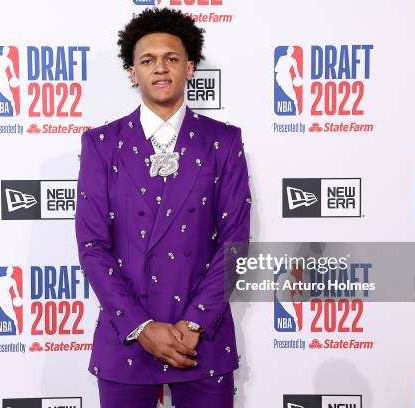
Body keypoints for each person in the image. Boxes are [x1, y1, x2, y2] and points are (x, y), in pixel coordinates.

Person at [75, 8, 251, 408]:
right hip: (127, 334)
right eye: (148, 60)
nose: (160, 68)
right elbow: (93, 247)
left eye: (171, 58)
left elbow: (235, 242)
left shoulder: (223, 142)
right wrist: (141, 327)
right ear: (133, 73)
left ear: (189, 68)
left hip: (202, 338)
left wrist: (194, 323)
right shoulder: (102, 144)